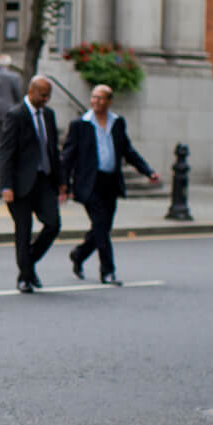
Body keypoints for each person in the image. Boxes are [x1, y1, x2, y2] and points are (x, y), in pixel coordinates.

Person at [62, 84, 159, 286]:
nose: (96, 101)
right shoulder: (80, 124)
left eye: (101, 98)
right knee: (100, 227)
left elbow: (128, 151)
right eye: (93, 97)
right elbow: (68, 156)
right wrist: (64, 184)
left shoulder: (117, 123)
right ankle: (107, 272)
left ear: (109, 101)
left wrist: (147, 171)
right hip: (89, 183)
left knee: (103, 227)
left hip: (110, 182)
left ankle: (78, 255)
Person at [0, 76, 65, 293]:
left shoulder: (49, 115)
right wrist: (6, 186)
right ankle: (25, 277)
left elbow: (53, 151)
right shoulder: (15, 114)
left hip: (44, 181)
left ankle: (28, 263)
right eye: (42, 95)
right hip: (20, 184)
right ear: (31, 90)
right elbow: (5, 152)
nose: (45, 99)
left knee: (53, 224)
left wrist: (62, 182)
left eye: (48, 96)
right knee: (23, 231)